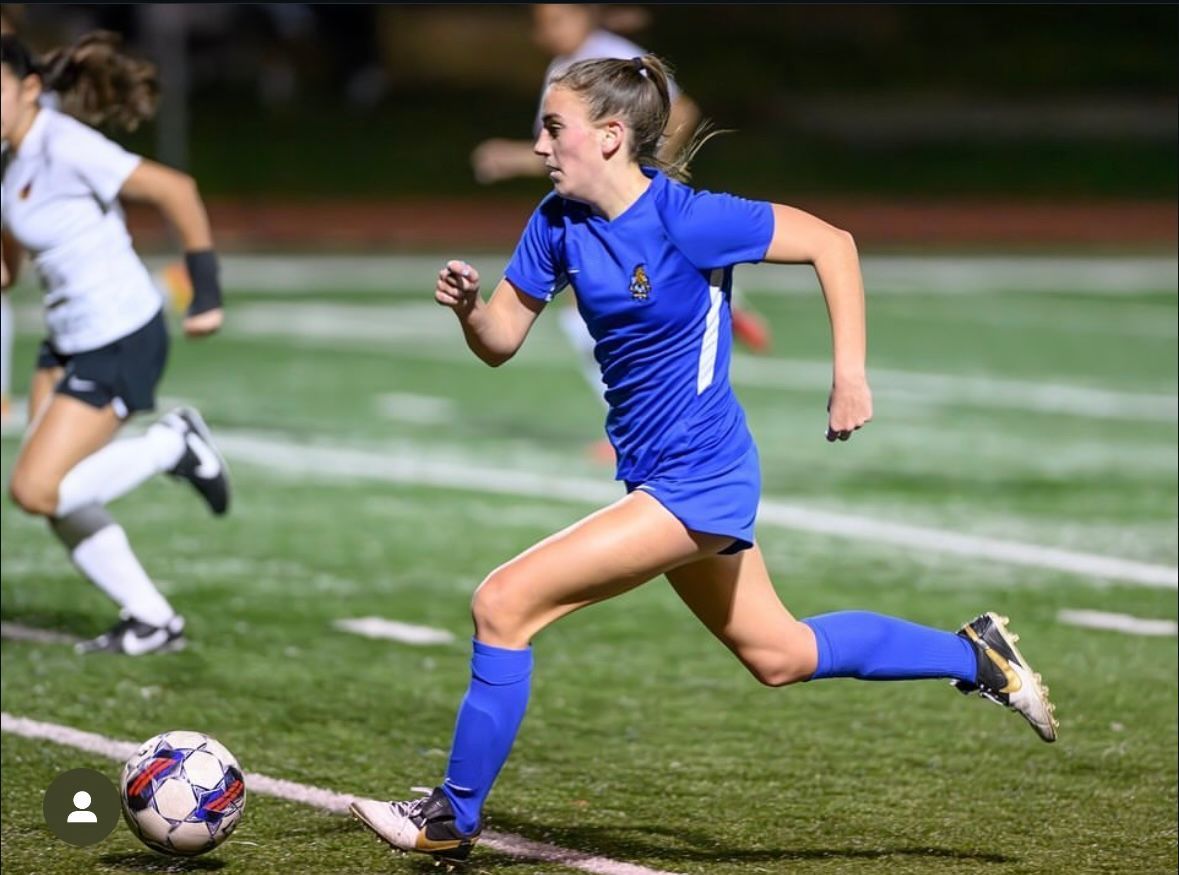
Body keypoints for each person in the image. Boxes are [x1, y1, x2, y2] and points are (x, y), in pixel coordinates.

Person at [349, 54, 1059, 863]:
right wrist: (470, 310)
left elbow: (833, 245)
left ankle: (449, 819)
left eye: (552, 128)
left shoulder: (688, 219)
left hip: (701, 478)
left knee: (503, 603)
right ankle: (976, 655)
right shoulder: (555, 222)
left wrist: (849, 375)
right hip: (657, 479)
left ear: (609, 136)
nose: (539, 146)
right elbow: (501, 340)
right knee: (779, 653)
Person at [1, 31, 231, 655]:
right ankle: (152, 620)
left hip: (119, 334)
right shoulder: (13, 161)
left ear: (29, 88)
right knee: (55, 496)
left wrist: (205, 290)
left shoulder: (64, 143)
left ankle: (171, 443)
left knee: (35, 489)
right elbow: (7, 271)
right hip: (66, 340)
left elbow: (176, 189)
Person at [472, 4, 770, 462]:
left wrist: (645, 172)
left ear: (584, 16)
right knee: (616, 297)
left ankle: (633, 423)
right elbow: (565, 151)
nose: (543, 32)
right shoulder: (566, 71)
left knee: (589, 308)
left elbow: (682, 110)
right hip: (603, 213)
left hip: (627, 216)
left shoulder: (608, 59)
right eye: (540, 23)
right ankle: (724, 308)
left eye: (555, 20)